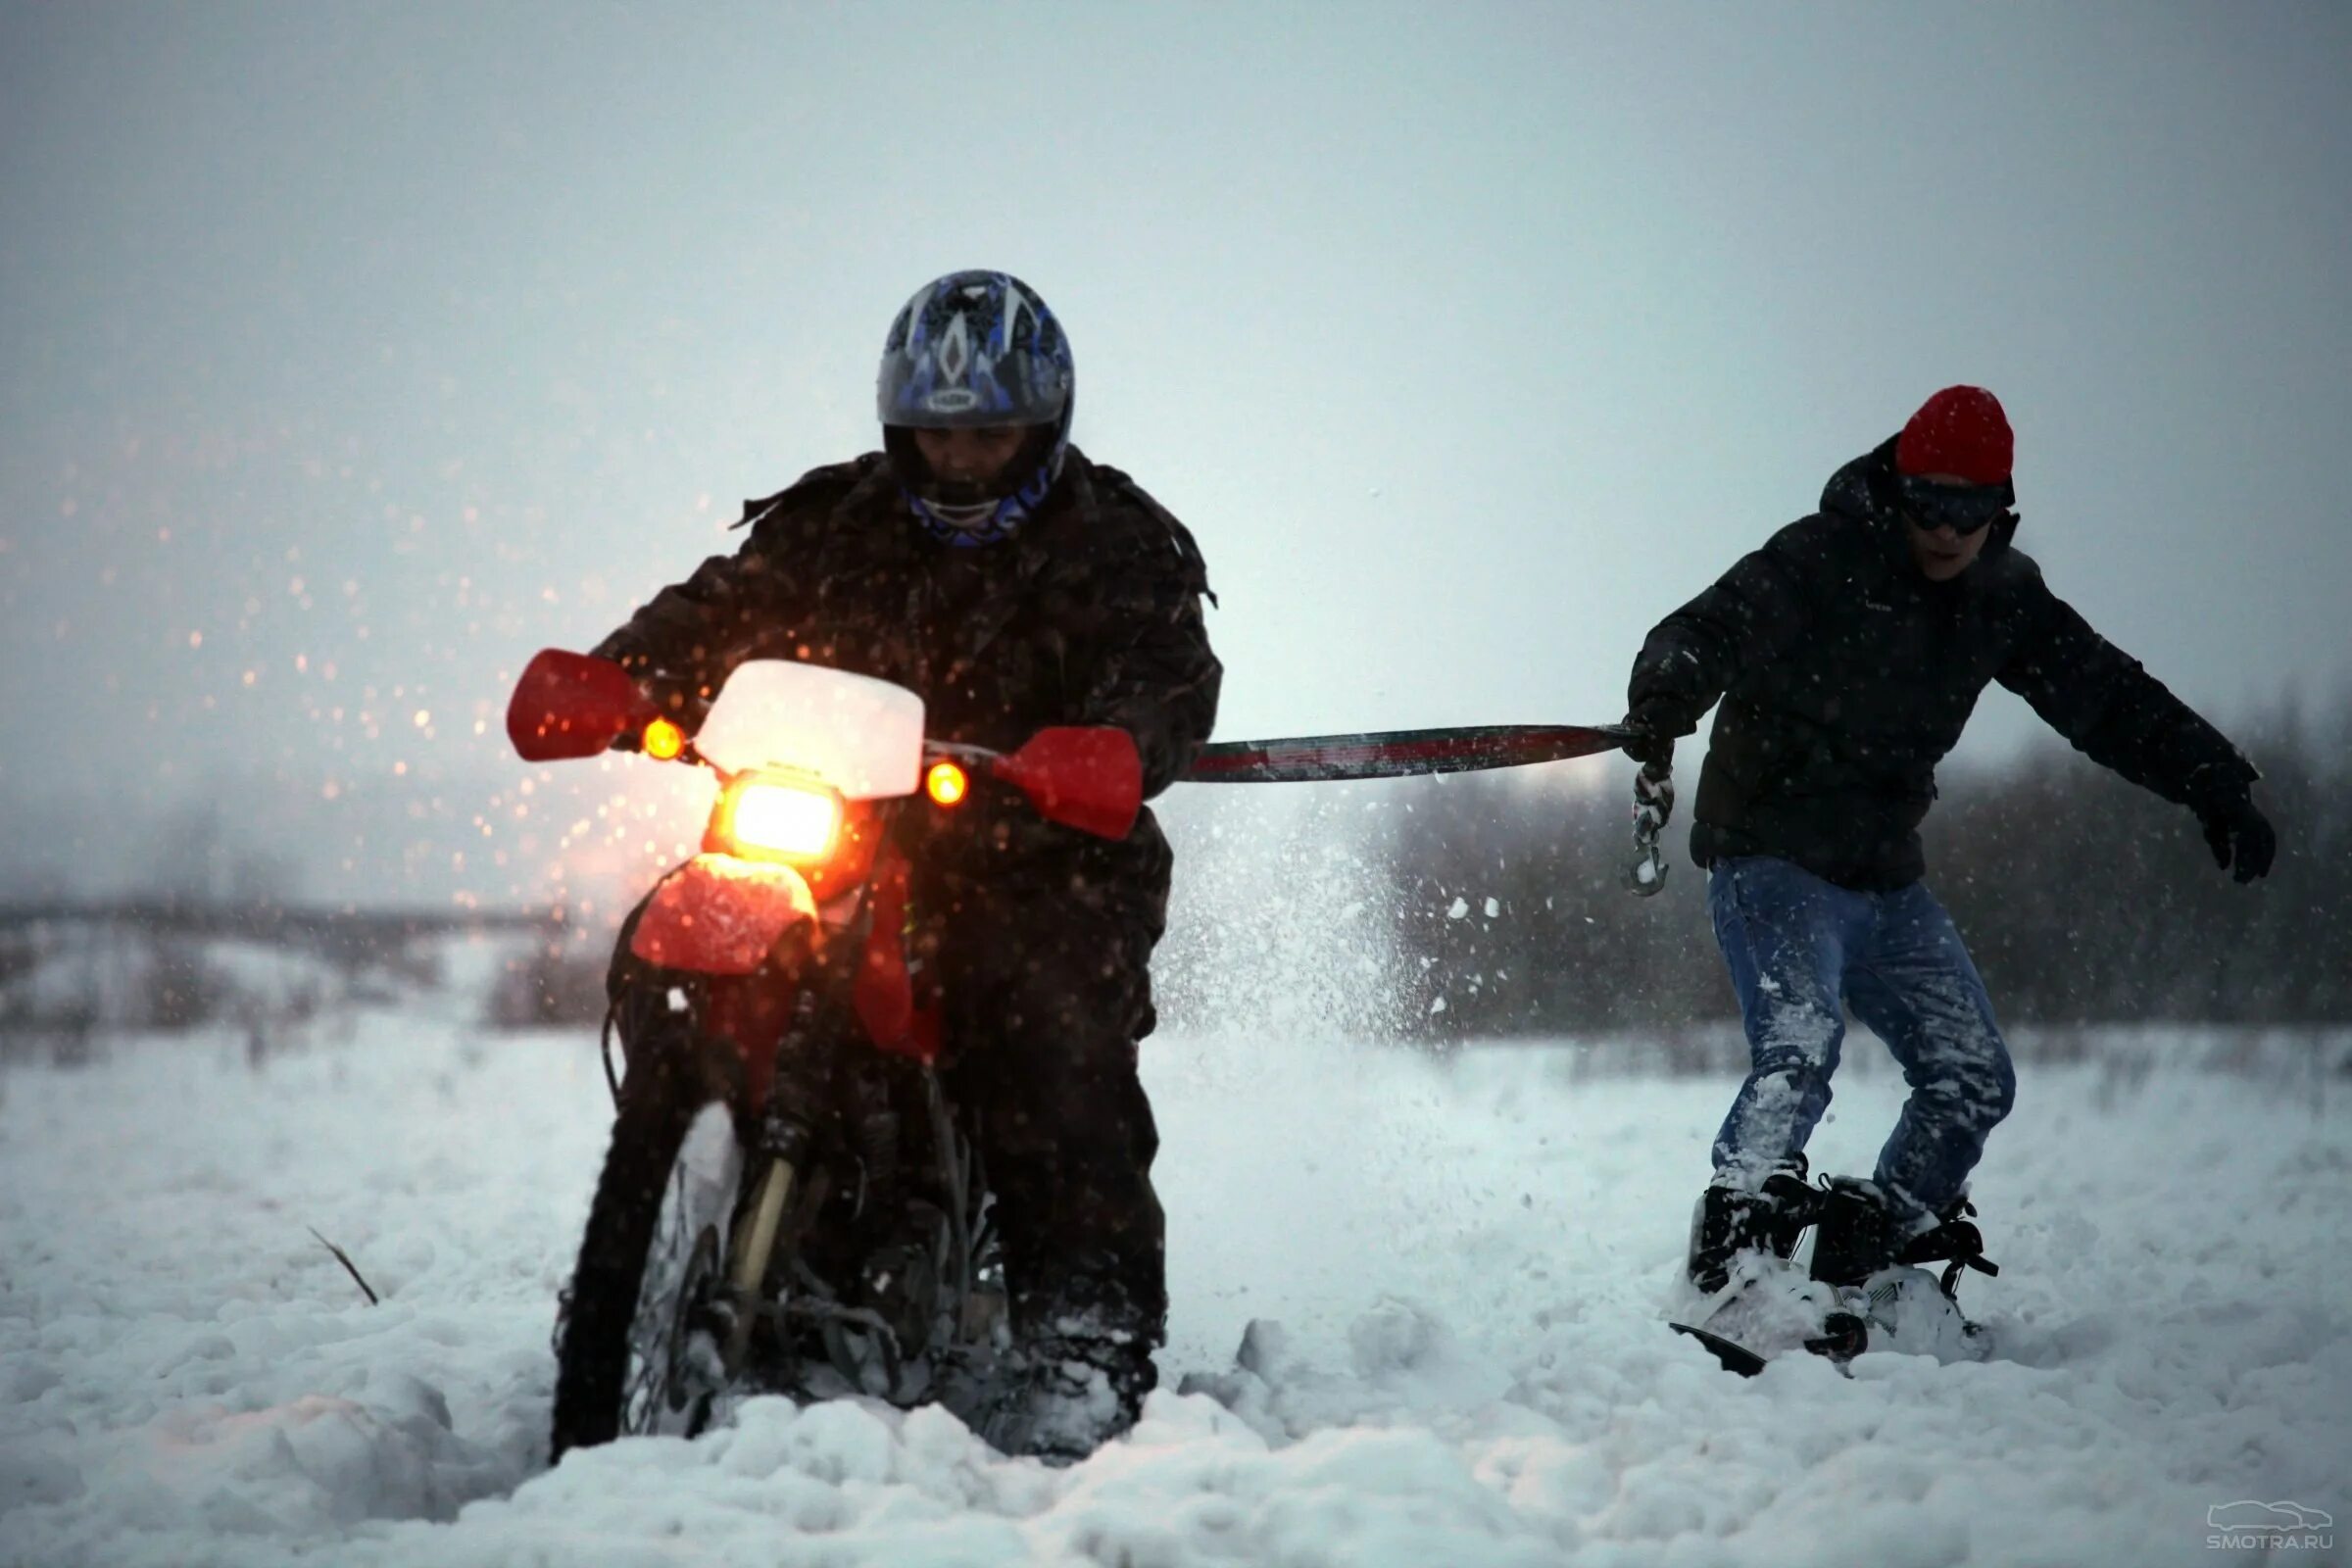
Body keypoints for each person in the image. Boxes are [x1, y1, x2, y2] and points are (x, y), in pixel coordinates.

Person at [589, 270, 1220, 1460]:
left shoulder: (1120, 538)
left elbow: (1168, 666)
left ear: (1045, 425)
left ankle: (1083, 1339)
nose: (964, 458)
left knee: (1043, 1024)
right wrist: (622, 675)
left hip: (1040, 857)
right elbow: (720, 610)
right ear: (899, 425)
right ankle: (676, 1229)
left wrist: (1118, 742)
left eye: (990, 431)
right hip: (834, 828)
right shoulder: (832, 519)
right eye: (939, 431)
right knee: (670, 955)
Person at [1622, 385, 2276, 1298]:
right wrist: (1666, 695)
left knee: (1972, 1078)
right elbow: (1707, 629)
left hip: (1885, 879)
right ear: (1896, 488)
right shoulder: (1819, 558)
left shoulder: (2001, 599)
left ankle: (1873, 1251)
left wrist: (2211, 778)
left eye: (1970, 510)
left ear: (2000, 510)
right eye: (1929, 502)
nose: (1947, 530)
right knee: (1800, 1047)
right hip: (1770, 858)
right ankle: (1735, 1251)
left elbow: (2108, 697)